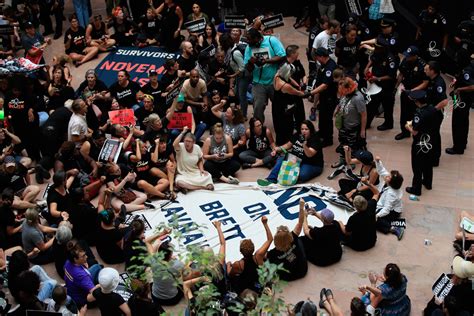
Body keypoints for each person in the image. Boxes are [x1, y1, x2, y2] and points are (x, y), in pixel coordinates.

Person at [258, 120, 324, 185]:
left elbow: (310, 154)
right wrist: (277, 149)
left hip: (312, 163)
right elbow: (288, 145)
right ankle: (271, 179)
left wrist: (304, 144)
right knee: (281, 159)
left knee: (302, 175)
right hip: (298, 159)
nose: (304, 131)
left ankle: (290, 180)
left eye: (306, 129)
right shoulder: (298, 135)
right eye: (302, 129)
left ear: (310, 130)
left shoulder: (315, 139)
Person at [243, 28, 286, 123]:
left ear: (257, 38)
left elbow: (282, 55)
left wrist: (266, 61)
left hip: (274, 81)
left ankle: (280, 126)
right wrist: (250, 62)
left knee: (279, 106)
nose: (248, 42)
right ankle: (259, 129)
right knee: (257, 107)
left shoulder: (271, 40)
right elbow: (248, 68)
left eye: (250, 39)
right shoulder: (248, 47)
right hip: (258, 83)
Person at [413, 61, 447, 166]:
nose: (424, 70)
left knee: (434, 135)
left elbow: (444, 101)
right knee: (430, 134)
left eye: (427, 69)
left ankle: (435, 158)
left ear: (433, 71)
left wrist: (432, 110)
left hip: (435, 114)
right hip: (429, 112)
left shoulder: (439, 83)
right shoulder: (432, 80)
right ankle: (430, 154)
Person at [228, 216, 273, 294]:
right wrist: (265, 224)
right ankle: (266, 286)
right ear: (253, 248)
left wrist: (228, 265)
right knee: (266, 259)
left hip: (249, 288)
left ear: (240, 251)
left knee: (229, 274)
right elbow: (270, 239)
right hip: (259, 283)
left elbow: (230, 275)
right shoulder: (258, 256)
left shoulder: (238, 264)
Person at [405, 90, 437, 196]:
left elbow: (414, 132)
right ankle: (428, 183)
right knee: (428, 163)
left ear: (417, 102)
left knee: (417, 166)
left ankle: (416, 188)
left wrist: (408, 127)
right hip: (431, 140)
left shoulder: (419, 113)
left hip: (420, 143)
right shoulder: (432, 109)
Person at [331, 77, 367, 170]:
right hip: (343, 125)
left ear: (348, 88)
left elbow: (363, 115)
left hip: (353, 127)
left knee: (351, 146)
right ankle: (342, 159)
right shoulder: (345, 94)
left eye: (343, 91)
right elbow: (341, 102)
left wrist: (363, 130)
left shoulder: (358, 98)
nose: (341, 93)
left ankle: (351, 162)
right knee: (343, 143)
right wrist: (336, 109)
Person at [267, 199, 307, 281]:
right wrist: (301, 207)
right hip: (302, 269)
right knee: (300, 239)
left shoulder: (272, 253)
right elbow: (300, 222)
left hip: (288, 277)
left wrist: (265, 225)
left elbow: (259, 255)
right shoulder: (294, 238)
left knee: (269, 262)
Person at [364, 38, 399, 130]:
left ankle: (388, 124)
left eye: (377, 48)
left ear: (383, 48)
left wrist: (377, 79)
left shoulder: (391, 59)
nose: (375, 49)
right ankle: (367, 123)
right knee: (371, 104)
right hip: (376, 84)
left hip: (387, 86)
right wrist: (367, 67)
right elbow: (372, 59)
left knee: (387, 106)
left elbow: (391, 76)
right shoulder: (377, 52)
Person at [394, 46, 427, 140]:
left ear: (415, 56)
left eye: (409, 56)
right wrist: (396, 87)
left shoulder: (422, 65)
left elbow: (425, 83)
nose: (406, 57)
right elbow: (401, 74)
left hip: (417, 93)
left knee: (416, 113)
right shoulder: (405, 61)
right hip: (406, 90)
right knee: (404, 112)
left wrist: (412, 91)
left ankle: (417, 133)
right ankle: (405, 132)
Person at [272, 62, 309, 145]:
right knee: (288, 127)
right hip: (284, 108)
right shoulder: (285, 86)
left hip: (276, 105)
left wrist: (298, 85)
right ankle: (286, 145)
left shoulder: (277, 76)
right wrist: (305, 94)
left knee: (278, 126)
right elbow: (297, 93)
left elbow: (290, 79)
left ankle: (280, 143)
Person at [446, 53, 473, 155]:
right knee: (464, 121)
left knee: (458, 122)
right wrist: (456, 82)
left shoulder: (467, 70)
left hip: (462, 99)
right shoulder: (468, 67)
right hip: (466, 99)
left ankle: (458, 148)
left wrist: (459, 89)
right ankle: (463, 143)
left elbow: (472, 86)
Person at [310, 47, 338, 146]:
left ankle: (328, 138)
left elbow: (325, 85)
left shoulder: (330, 67)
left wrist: (311, 93)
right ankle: (321, 132)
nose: (316, 59)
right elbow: (319, 83)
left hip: (330, 97)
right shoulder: (323, 65)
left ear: (321, 56)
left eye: (317, 57)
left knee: (327, 118)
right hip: (323, 96)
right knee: (322, 116)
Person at [173, 126, 214, 192]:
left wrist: (201, 170)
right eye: (186, 141)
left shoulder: (197, 147)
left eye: (189, 141)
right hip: (183, 174)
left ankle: (189, 187)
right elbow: (174, 144)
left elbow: (200, 159)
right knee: (180, 182)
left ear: (193, 142)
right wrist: (183, 132)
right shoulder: (181, 146)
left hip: (195, 172)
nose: (187, 143)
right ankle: (202, 187)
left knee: (208, 176)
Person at [373, 157, 405, 239]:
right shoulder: (391, 182)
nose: (387, 176)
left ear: (391, 183)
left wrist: (377, 215)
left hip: (392, 212)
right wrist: (378, 161)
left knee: (373, 220)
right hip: (386, 204)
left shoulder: (391, 194)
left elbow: (386, 210)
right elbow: (382, 171)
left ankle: (394, 229)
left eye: (389, 177)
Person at [339, 183, 378, 251]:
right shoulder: (371, 205)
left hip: (359, 246)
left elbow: (347, 232)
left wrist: (340, 223)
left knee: (337, 227)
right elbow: (376, 193)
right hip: (372, 241)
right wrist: (368, 183)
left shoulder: (354, 218)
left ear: (355, 207)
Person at [64, 243, 103, 308]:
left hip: (72, 289)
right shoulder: (83, 276)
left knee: (97, 267)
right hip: (83, 298)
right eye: (83, 256)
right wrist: (100, 285)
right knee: (105, 286)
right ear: (75, 259)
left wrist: (82, 264)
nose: (86, 257)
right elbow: (94, 292)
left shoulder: (67, 262)